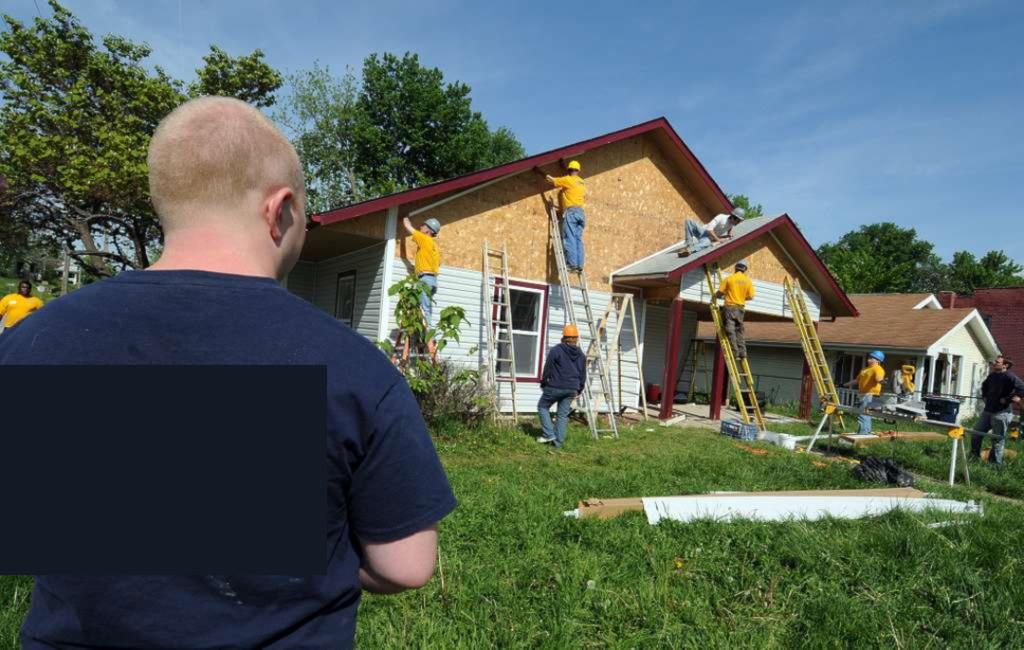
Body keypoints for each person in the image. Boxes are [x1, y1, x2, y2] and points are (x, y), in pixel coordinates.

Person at [0, 97, 456, 649]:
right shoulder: (353, 366)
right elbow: (404, 566)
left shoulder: (32, 342)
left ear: (165, 201)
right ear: (280, 210)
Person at [537, 324, 587, 449]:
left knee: (542, 406)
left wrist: (544, 383)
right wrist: (579, 389)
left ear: (564, 337)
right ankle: (558, 444)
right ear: (576, 338)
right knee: (562, 415)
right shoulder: (581, 354)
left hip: (555, 386)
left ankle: (548, 434)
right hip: (572, 389)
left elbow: (547, 368)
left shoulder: (556, 350)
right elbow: (582, 374)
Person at [970, 356, 1024, 465]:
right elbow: (984, 386)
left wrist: (1013, 398)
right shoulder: (992, 375)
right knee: (976, 433)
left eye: (997, 362)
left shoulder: (1010, 376)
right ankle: (974, 458)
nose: (994, 363)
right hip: (988, 410)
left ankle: (995, 465)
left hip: (1002, 412)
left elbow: (1022, 388)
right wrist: (984, 396)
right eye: (995, 361)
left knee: (997, 440)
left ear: (1005, 365)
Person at [541, 160, 586, 272]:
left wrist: (542, 173)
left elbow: (553, 180)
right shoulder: (581, 182)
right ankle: (579, 265)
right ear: (578, 170)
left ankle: (572, 265)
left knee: (569, 237)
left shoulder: (568, 180)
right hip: (581, 213)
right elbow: (569, 179)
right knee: (577, 239)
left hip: (571, 212)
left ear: (569, 170)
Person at [402, 216, 442, 327]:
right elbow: (437, 264)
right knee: (426, 308)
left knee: (424, 310)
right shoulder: (434, 246)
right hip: (433, 281)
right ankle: (422, 339)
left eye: (423, 226)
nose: (421, 227)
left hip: (425, 279)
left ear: (428, 231)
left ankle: (429, 336)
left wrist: (405, 217)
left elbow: (408, 226)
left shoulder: (424, 239)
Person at [715, 260, 755, 359]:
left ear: (735, 268)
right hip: (740, 309)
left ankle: (734, 352)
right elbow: (751, 296)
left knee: (730, 330)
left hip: (729, 308)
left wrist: (716, 296)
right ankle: (742, 353)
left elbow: (719, 292)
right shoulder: (748, 281)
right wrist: (741, 298)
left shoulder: (729, 279)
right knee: (739, 330)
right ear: (745, 269)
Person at [845, 351, 886, 434]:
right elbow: (856, 380)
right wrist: (844, 384)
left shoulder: (878, 369)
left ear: (878, 360)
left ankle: (862, 433)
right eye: (869, 358)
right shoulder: (865, 369)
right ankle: (866, 432)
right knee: (865, 414)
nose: (868, 359)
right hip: (862, 394)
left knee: (863, 413)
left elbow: (878, 378)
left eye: (871, 358)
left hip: (870, 394)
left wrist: (881, 381)